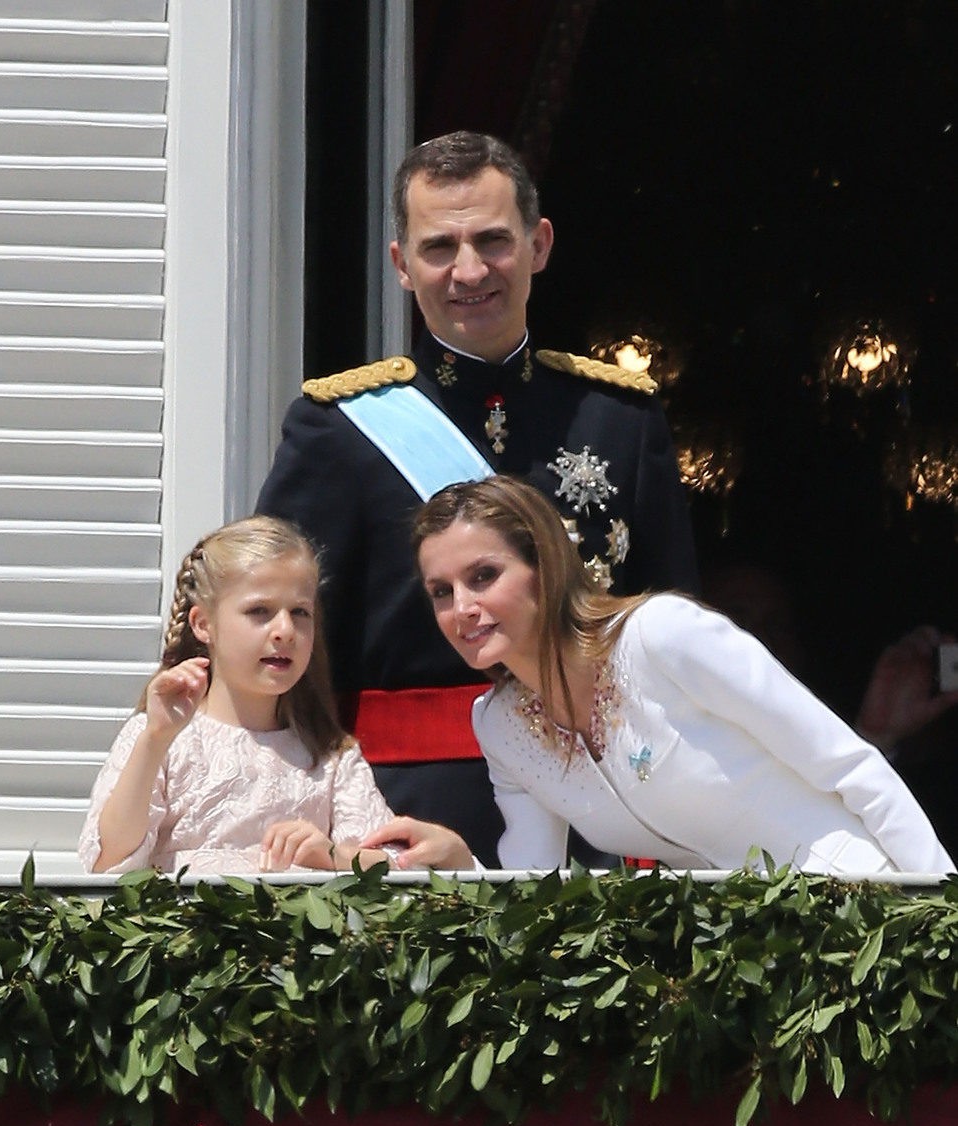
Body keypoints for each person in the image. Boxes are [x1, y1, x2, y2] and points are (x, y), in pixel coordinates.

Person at [256, 130, 698, 866]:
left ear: (539, 244)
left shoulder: (622, 418)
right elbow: (280, 646)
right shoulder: (339, 430)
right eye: (439, 248)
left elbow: (671, 636)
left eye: (493, 240)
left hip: (596, 808)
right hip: (402, 814)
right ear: (401, 264)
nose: (468, 271)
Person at [401, 476, 954, 875]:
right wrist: (459, 864)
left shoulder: (662, 635)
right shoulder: (500, 724)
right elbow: (533, 887)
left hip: (865, 912)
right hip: (740, 970)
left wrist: (936, 920)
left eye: (483, 576)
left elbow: (851, 765)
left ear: (543, 568)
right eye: (441, 592)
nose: (462, 607)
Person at [78, 517, 473, 876]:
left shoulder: (329, 754)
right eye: (260, 612)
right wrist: (156, 738)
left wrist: (330, 854)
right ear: (203, 623)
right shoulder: (160, 738)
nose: (284, 630)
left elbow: (392, 865)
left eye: (300, 612)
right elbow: (109, 861)